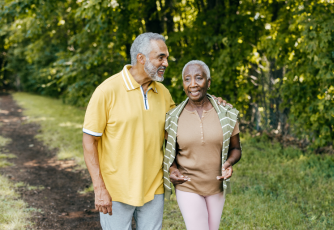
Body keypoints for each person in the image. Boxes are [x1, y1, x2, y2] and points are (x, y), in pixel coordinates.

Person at [82, 33, 229, 230]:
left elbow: (180, 133)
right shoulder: (106, 91)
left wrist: (214, 107)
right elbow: (89, 141)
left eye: (166, 57)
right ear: (141, 58)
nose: (166, 63)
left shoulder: (163, 92)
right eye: (161, 57)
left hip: (154, 188)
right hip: (115, 191)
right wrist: (99, 189)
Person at [163, 60, 242, 230]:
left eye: (198, 78)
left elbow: (236, 149)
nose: (193, 84)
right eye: (187, 79)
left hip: (216, 186)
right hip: (187, 185)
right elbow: (170, 153)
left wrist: (229, 163)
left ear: (208, 82)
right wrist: (172, 169)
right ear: (183, 84)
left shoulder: (226, 114)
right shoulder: (173, 118)